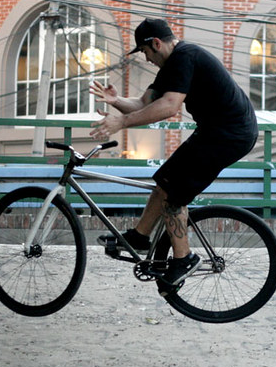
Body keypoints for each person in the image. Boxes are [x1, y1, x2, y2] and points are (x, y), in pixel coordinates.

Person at [89, 17, 258, 286]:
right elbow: (144, 103)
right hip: (216, 132)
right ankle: (140, 237)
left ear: (156, 43)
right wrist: (116, 101)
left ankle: (184, 259)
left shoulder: (185, 57)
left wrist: (120, 123)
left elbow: (169, 107)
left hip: (229, 135)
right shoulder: (172, 65)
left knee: (174, 197)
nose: (146, 59)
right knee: (164, 182)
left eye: (145, 52)